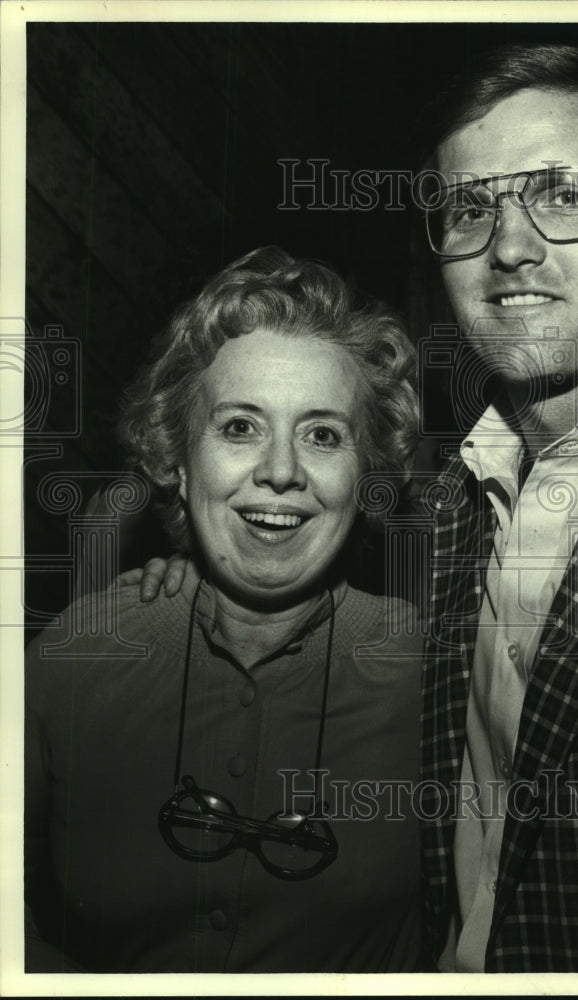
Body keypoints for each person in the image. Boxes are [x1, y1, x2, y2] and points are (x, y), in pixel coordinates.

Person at [134, 44, 578, 974]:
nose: (509, 246)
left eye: (561, 194)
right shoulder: (447, 507)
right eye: (471, 207)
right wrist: (191, 570)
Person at [24, 247, 424, 973]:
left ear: (368, 473)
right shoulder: (71, 659)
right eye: (239, 427)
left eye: (323, 435)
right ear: (174, 457)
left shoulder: (432, 677)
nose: (279, 471)